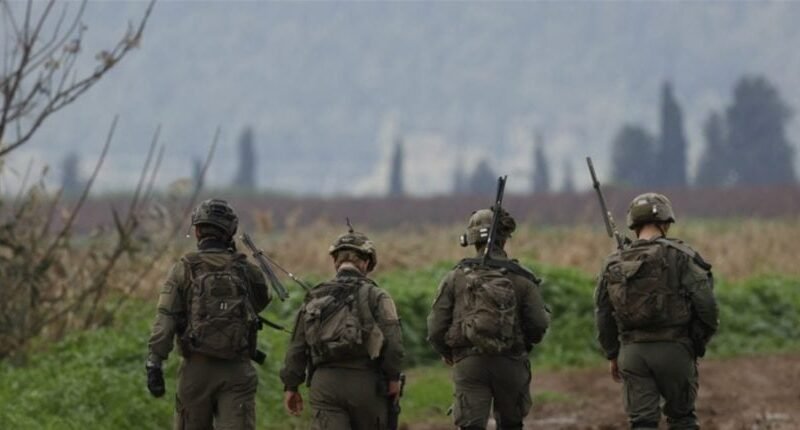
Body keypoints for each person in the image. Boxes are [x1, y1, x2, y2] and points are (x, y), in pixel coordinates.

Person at [594, 193, 719, 430]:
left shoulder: (613, 262)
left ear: (634, 225)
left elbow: (603, 313)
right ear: (665, 223)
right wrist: (698, 341)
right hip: (675, 349)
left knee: (642, 422)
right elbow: (707, 305)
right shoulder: (681, 255)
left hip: (632, 354)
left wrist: (612, 353)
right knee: (682, 419)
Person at [145, 199, 271, 430]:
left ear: (197, 230)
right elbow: (261, 302)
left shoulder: (184, 268)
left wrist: (155, 362)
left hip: (196, 371)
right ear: (230, 231)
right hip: (237, 370)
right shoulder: (245, 269)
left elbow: (165, 318)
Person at [427, 208, 550, 430]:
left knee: (470, 426)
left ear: (471, 239)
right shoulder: (522, 277)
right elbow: (539, 323)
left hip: (469, 363)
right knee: (511, 425)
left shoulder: (455, 277)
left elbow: (436, 327)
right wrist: (523, 345)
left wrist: (449, 353)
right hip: (511, 361)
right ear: (505, 238)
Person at [280, 224, 404, 429]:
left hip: (324, 385)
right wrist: (393, 378)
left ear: (336, 261)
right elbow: (394, 341)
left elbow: (297, 346)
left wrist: (291, 386)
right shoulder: (377, 296)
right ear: (366, 262)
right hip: (366, 384)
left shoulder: (315, 296)